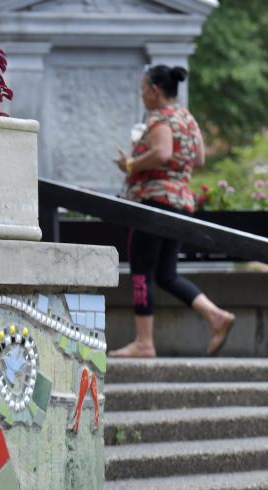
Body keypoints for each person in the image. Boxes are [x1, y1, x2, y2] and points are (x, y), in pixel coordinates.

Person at [109, 64, 235, 359]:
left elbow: (163, 153)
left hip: (155, 203)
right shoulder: (186, 118)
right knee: (166, 273)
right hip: (181, 203)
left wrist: (132, 164)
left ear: (154, 91)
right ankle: (215, 316)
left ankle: (144, 343)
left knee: (141, 271)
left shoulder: (159, 118)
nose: (142, 95)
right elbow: (200, 158)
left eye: (143, 89)